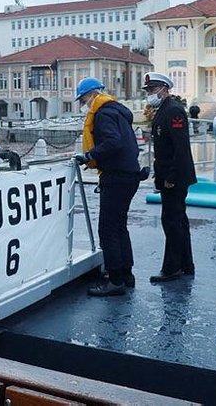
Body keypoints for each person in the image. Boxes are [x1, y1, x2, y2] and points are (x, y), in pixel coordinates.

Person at [74, 77, 142, 297]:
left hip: (117, 177)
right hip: (129, 174)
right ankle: (126, 274)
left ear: (93, 94)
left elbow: (113, 141)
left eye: (84, 99)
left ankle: (115, 280)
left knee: (108, 228)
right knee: (120, 226)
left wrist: (90, 156)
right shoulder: (117, 110)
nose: (84, 104)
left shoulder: (103, 114)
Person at [143, 72, 197, 283]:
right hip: (169, 175)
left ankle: (172, 268)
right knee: (178, 221)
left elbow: (180, 148)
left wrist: (172, 177)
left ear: (165, 89)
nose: (150, 94)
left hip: (175, 177)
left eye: (153, 89)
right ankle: (186, 265)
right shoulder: (163, 110)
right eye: (148, 90)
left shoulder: (173, 111)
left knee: (172, 222)